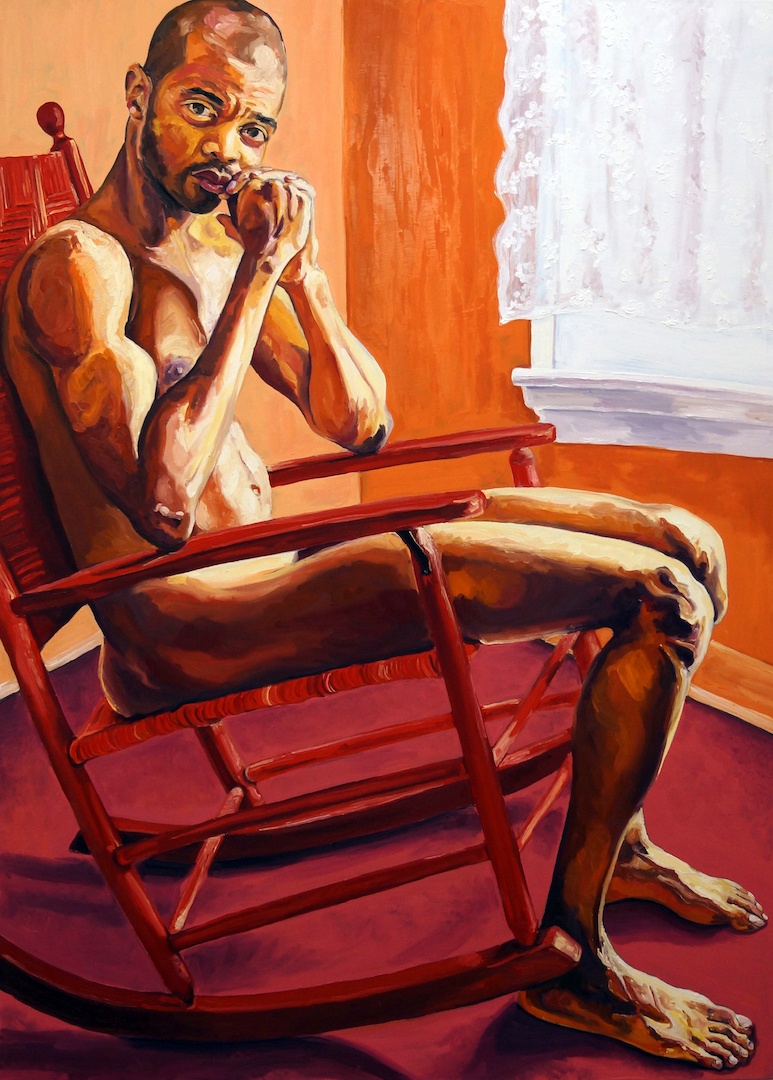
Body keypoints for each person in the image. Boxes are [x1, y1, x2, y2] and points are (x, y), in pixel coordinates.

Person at [1, 0, 765, 1068]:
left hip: (268, 568)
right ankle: (575, 965)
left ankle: (616, 844)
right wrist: (256, 279)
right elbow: (164, 505)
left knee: (686, 542)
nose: (229, 149)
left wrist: (300, 272)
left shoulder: (217, 251)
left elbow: (360, 424)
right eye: (201, 107)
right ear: (138, 93)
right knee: (661, 602)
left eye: (254, 127)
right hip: (190, 619)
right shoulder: (78, 268)